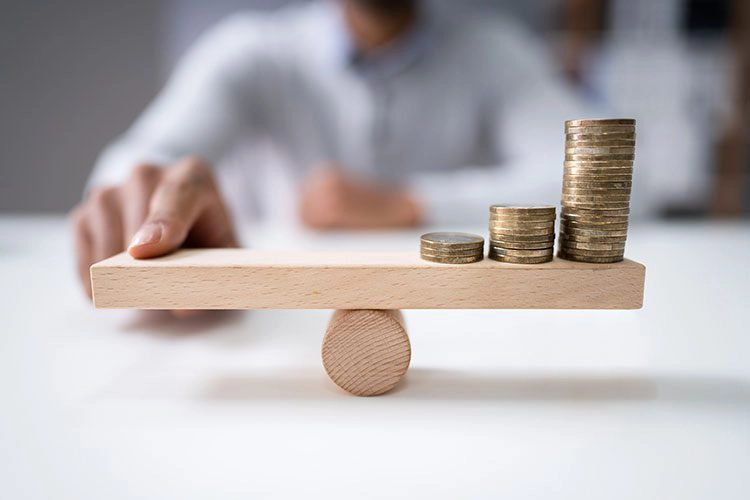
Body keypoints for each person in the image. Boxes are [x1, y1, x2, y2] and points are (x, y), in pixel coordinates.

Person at [70, 0, 584, 297]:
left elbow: (621, 181)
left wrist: (408, 204)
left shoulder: (494, 52)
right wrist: (134, 205)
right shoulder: (251, 49)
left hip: (455, 321)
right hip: (263, 326)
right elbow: (137, 160)